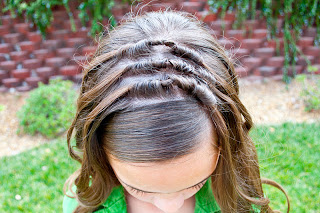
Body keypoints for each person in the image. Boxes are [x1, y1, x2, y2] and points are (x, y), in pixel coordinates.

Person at [63, 9, 289, 213]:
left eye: (195, 184)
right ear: (100, 152)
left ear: (226, 142)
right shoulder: (84, 204)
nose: (169, 207)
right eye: (139, 189)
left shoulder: (239, 202)